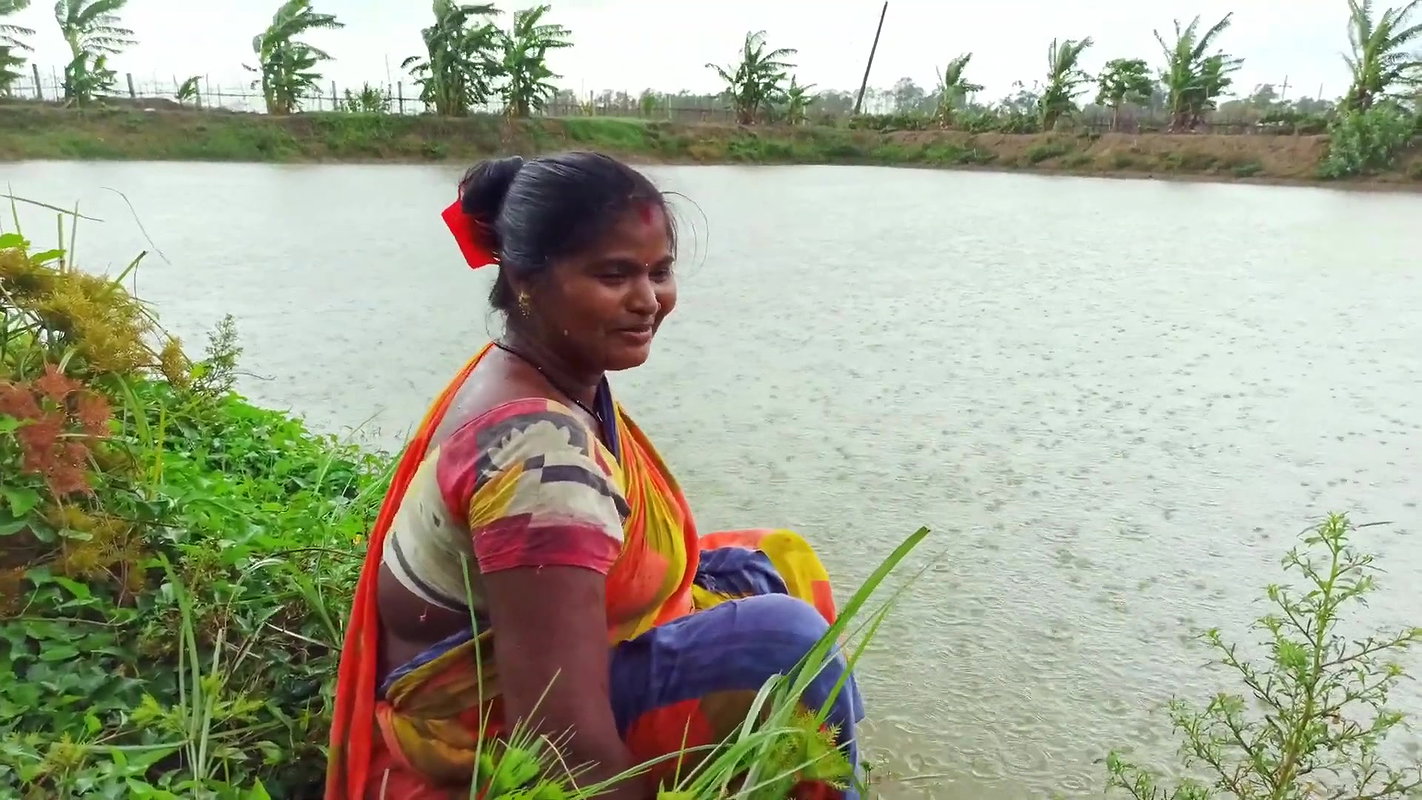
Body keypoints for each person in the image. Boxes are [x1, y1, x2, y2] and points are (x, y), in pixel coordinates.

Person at [325, 151, 863, 800]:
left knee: (767, 561)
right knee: (784, 643)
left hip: (530, 658)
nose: (648, 301)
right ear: (526, 278)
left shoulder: (540, 375)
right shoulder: (539, 458)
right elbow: (561, 750)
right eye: (613, 275)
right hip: (479, 734)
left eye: (659, 271)